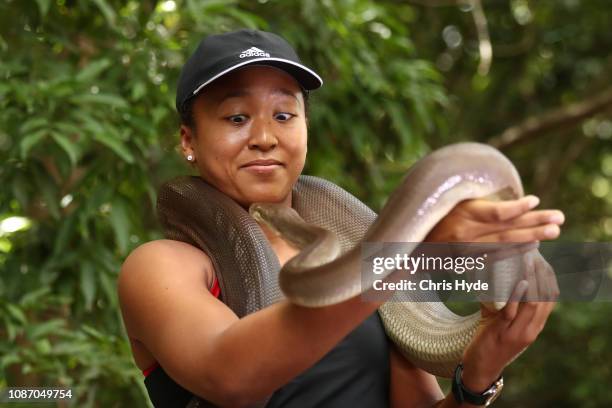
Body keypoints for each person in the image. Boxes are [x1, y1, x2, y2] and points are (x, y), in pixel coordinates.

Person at [118, 29, 565, 407]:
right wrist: (411, 249)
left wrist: (478, 374)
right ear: (188, 140)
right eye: (236, 117)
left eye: (284, 114)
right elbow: (229, 375)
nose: (265, 137)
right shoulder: (162, 266)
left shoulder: (358, 253)